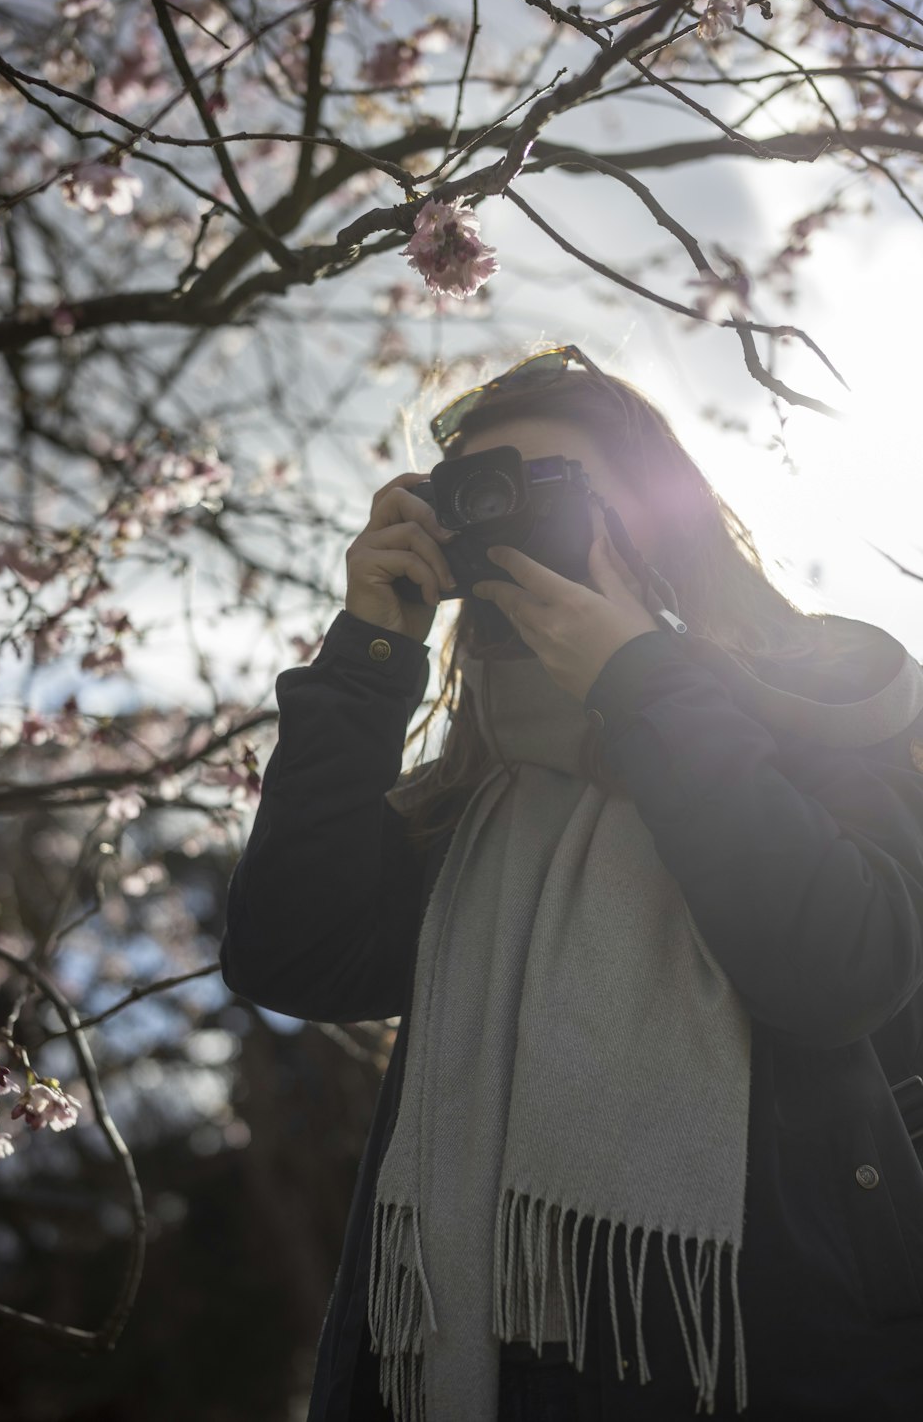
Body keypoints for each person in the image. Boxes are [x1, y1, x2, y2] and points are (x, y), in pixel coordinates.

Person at [219, 345, 923, 1422]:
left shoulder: (823, 718)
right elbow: (289, 953)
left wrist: (637, 679)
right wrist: (370, 652)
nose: (514, 520)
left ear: (661, 520)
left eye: (556, 489)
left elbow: (838, 971)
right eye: (482, 498)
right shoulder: (466, 803)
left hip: (772, 1352)